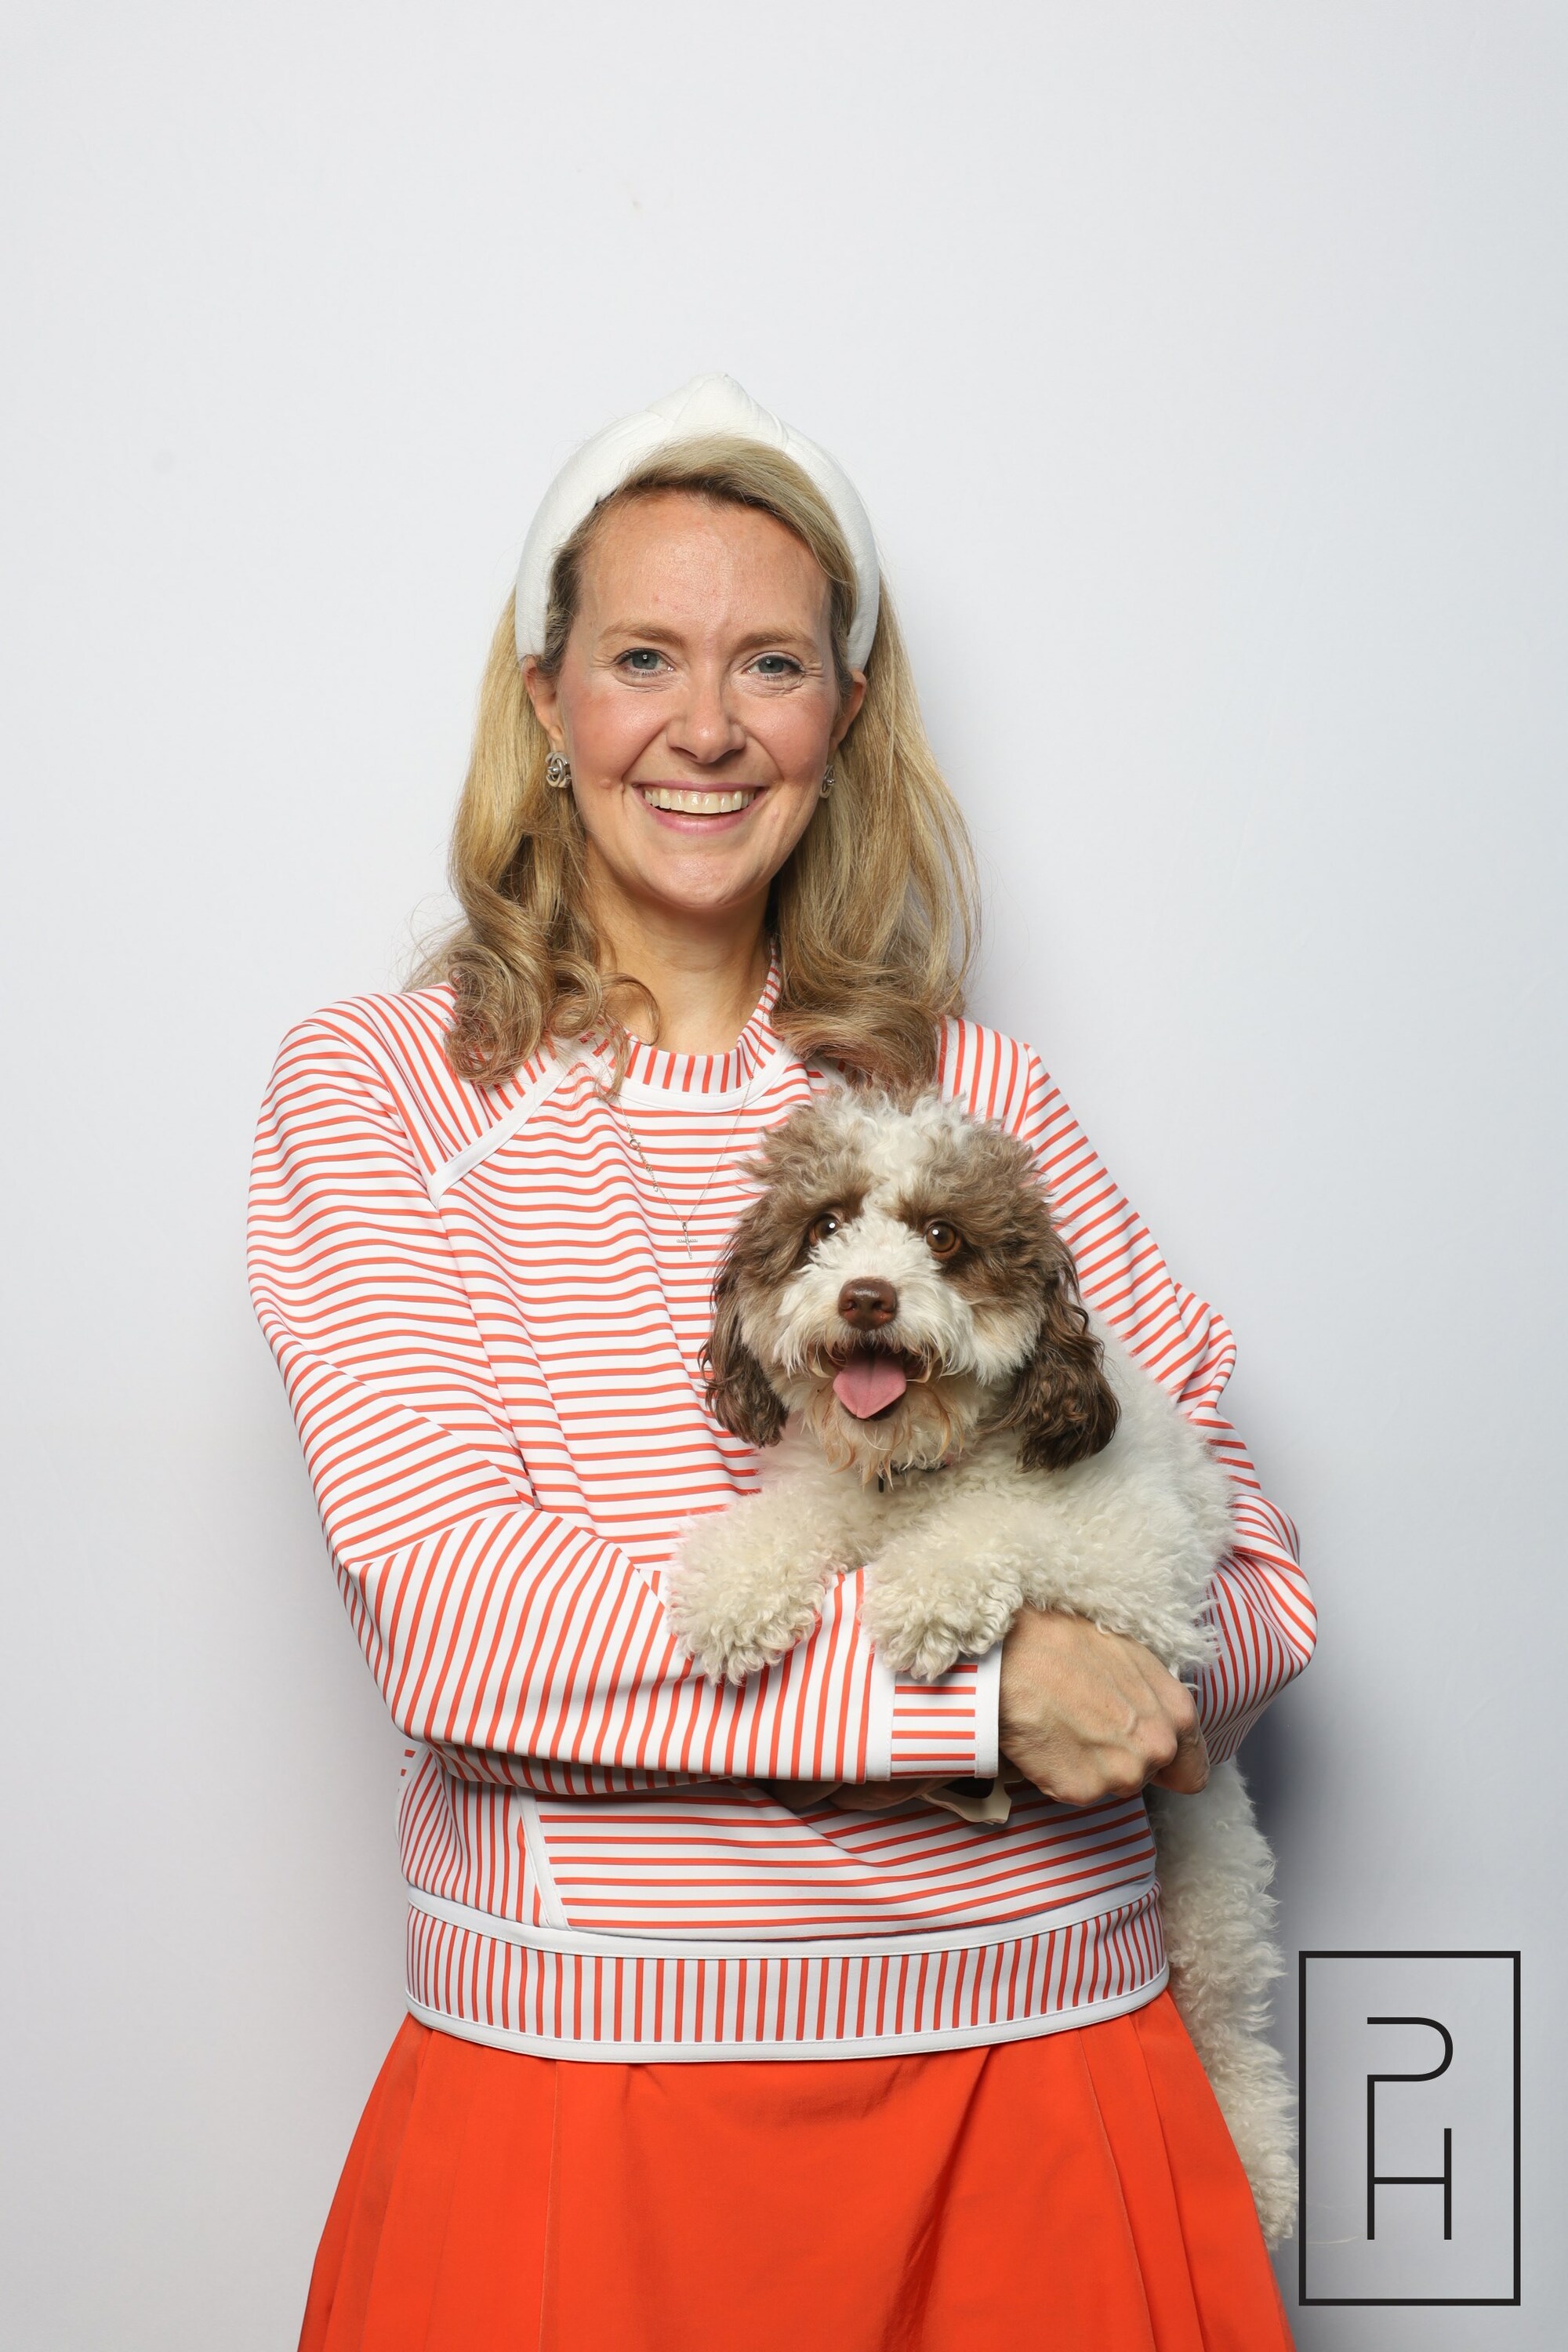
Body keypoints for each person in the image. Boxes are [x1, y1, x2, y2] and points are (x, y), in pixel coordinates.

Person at [249, 376, 1313, 2350]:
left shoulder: (977, 1095)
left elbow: (1257, 1579)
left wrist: (1145, 1688)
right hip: (598, 2102)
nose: (709, 726)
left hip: (1051, 2085)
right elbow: (456, 1623)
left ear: (843, 716)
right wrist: (976, 1700)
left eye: (773, 665)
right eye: (643, 657)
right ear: (548, 701)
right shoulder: (384, 1091)